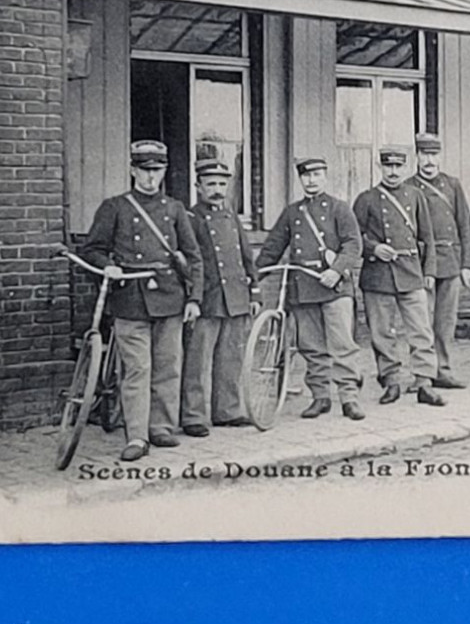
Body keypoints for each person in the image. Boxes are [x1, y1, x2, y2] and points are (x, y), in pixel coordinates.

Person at [80, 140, 203, 461]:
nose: (151, 178)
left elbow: (193, 257)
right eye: (144, 170)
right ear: (133, 170)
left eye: (157, 170)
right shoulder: (115, 207)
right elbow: (91, 248)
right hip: (130, 297)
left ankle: (161, 427)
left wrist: (195, 298)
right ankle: (136, 435)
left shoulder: (175, 209)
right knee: (136, 368)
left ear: (164, 171)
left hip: (170, 296)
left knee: (168, 366)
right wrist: (108, 266)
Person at [257, 156, 365, 421]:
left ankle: (349, 397)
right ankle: (320, 397)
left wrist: (336, 270)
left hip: (334, 288)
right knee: (311, 347)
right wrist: (253, 277)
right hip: (303, 287)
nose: (311, 180)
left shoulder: (340, 209)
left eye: (317, 175)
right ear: (301, 179)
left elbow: (353, 244)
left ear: (325, 177)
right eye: (306, 176)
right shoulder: (292, 213)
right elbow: (272, 247)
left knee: (342, 344)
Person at [353, 147, 444, 407]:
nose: (393, 172)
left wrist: (429, 271)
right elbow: (353, 237)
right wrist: (373, 248)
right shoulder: (366, 199)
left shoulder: (415, 196)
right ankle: (391, 381)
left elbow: (427, 237)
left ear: (405, 168)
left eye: (398, 167)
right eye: (388, 167)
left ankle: (424, 381)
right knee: (382, 332)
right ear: (380, 168)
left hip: (410, 271)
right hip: (378, 274)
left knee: (420, 330)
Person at [181, 159, 259, 437]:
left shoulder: (231, 217)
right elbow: (189, 261)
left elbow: (246, 256)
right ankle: (194, 416)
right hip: (208, 297)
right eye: (211, 183)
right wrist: (194, 297)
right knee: (198, 360)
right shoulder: (190, 218)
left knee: (231, 357)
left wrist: (254, 292)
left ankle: (227, 411)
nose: (217, 189)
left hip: (236, 296)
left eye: (222, 183)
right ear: (198, 186)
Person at [408, 132, 470, 389]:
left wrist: (466, 265)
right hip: (422, 265)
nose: (429, 160)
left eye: (434, 154)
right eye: (424, 154)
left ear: (440, 156)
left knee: (446, 322)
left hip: (450, 262)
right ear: (417, 156)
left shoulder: (453, 185)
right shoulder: (409, 187)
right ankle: (421, 374)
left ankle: (443, 370)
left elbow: (464, 226)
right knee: (421, 321)